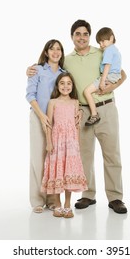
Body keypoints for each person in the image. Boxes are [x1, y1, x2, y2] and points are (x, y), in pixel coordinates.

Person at [26, 19, 128, 214]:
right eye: (77, 34)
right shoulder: (68, 60)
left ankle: (115, 198)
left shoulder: (102, 52)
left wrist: (112, 86)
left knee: (112, 154)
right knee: (84, 156)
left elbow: (122, 73)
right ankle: (88, 195)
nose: (81, 37)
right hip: (80, 111)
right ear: (72, 37)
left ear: (90, 36)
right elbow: (50, 68)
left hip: (105, 107)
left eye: (85, 34)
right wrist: (29, 70)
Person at [26, 39, 66, 213]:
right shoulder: (37, 70)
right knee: (38, 158)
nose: (55, 52)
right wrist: (42, 116)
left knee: (53, 159)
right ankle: (37, 200)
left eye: (59, 49)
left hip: (57, 121)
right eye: (52, 49)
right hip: (38, 117)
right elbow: (30, 95)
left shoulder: (64, 73)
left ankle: (51, 199)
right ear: (46, 52)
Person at [41, 72, 88, 218]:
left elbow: (77, 125)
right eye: (62, 83)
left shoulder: (75, 102)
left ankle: (67, 204)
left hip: (71, 142)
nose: (65, 86)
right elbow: (49, 124)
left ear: (72, 86)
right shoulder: (53, 102)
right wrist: (49, 142)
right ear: (57, 85)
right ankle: (57, 204)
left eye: (69, 83)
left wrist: (77, 143)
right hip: (57, 141)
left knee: (68, 171)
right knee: (57, 171)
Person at [84, 27, 122, 126]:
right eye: (99, 43)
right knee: (95, 91)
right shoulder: (114, 49)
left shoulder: (108, 50)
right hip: (115, 76)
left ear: (111, 38)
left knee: (87, 91)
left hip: (109, 75)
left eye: (103, 41)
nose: (101, 45)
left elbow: (107, 65)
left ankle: (94, 114)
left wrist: (102, 80)